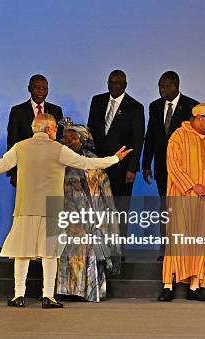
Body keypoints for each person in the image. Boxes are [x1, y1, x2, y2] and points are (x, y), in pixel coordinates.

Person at [0, 114, 132, 308]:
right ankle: (48, 296)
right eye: (56, 130)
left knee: (22, 253)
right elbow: (86, 163)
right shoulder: (58, 149)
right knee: (50, 254)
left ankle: (18, 295)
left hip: (25, 207)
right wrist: (114, 159)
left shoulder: (21, 146)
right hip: (52, 210)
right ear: (50, 129)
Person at [158, 103, 205, 302]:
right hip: (183, 196)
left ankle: (195, 285)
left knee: (202, 241)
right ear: (198, 118)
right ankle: (168, 285)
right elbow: (173, 166)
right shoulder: (178, 136)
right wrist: (193, 186)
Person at [55, 120, 121, 302]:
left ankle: (88, 290)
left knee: (89, 249)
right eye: (65, 137)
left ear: (82, 139)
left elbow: (104, 189)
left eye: (72, 138)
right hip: (66, 213)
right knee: (66, 251)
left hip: (91, 214)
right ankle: (66, 289)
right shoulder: (58, 159)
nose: (67, 141)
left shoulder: (92, 159)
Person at [142, 71, 199, 261]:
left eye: (165, 86)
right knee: (165, 208)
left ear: (176, 86)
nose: (161, 90)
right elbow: (150, 136)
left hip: (184, 171)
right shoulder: (155, 106)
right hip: (161, 168)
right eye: (159, 86)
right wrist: (146, 163)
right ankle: (166, 249)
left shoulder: (192, 106)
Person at [87, 69, 144, 253]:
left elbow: (137, 140)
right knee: (97, 209)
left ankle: (118, 251)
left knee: (120, 210)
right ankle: (99, 250)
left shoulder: (135, 107)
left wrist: (132, 169)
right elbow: (90, 133)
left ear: (125, 85)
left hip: (122, 169)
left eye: (118, 83)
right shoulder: (97, 101)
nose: (114, 86)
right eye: (111, 82)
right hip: (97, 165)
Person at [6, 74, 63, 187]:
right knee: (29, 203)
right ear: (29, 89)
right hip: (26, 169)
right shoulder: (17, 111)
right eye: (37, 87)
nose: (41, 91)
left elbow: (60, 140)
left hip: (51, 170)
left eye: (45, 88)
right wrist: (13, 172)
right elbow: (12, 142)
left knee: (53, 203)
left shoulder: (56, 110)